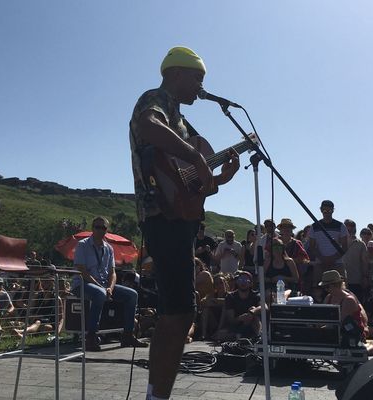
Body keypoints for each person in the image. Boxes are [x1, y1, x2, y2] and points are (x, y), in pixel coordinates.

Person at [129, 46, 240, 400]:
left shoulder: (179, 118)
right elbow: (148, 125)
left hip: (178, 219)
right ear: (176, 73)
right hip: (163, 219)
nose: (201, 86)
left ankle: (156, 393)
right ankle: (157, 395)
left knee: (177, 312)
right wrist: (195, 155)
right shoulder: (156, 100)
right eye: (198, 77)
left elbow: (192, 186)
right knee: (179, 313)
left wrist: (221, 177)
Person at [72, 216, 146, 351]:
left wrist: (110, 288)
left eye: (103, 228)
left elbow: (112, 272)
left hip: (104, 285)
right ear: (92, 229)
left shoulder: (109, 248)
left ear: (106, 230)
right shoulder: (83, 245)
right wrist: (102, 288)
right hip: (82, 283)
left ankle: (128, 335)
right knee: (99, 294)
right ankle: (91, 337)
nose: (100, 230)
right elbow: (82, 271)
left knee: (132, 295)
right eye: (97, 227)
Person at [308, 200, 348, 285]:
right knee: (318, 289)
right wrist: (323, 259)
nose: (327, 213)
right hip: (320, 263)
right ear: (321, 210)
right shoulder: (314, 226)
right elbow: (312, 246)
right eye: (324, 211)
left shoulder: (340, 225)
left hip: (337, 263)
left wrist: (332, 259)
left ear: (333, 210)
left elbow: (345, 246)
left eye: (329, 211)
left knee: (341, 288)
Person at [216, 271, 262, 341]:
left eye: (246, 280)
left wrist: (252, 312)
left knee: (254, 310)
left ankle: (255, 337)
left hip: (252, 325)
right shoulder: (230, 296)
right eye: (240, 280)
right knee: (220, 335)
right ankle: (241, 337)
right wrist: (241, 318)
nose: (243, 282)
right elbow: (231, 320)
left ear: (251, 283)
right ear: (237, 282)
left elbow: (264, 307)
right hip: (236, 326)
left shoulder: (255, 295)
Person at [342, 219, 370, 301]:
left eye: (351, 228)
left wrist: (365, 277)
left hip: (356, 280)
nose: (349, 230)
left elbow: (365, 262)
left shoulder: (360, 244)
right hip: (342, 281)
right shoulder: (339, 242)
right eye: (347, 228)